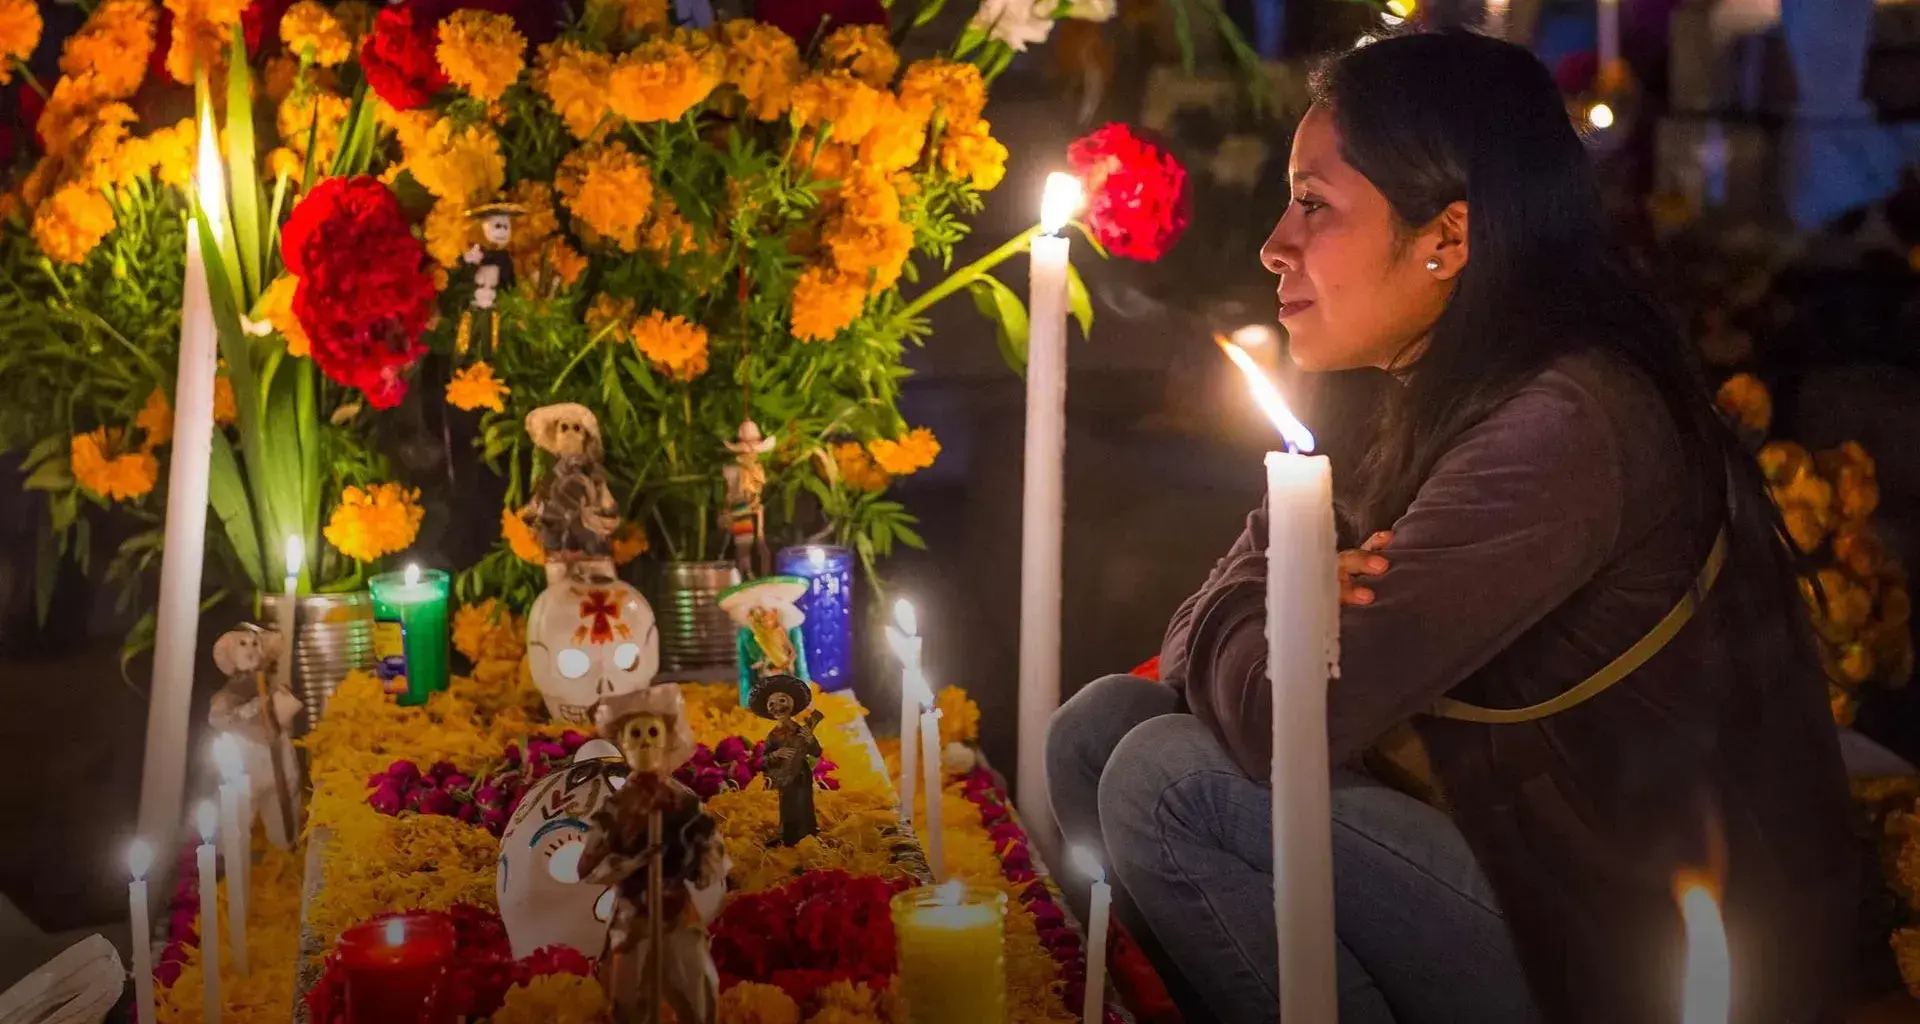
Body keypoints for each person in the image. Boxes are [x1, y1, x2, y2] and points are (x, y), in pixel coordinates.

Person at [1046, 30, 1857, 1024]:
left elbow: (1284, 722)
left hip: (1631, 944)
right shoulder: (1389, 385)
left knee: (1166, 784)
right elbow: (1195, 657)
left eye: (1314, 205)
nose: (1273, 245)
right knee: (1097, 729)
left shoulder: (1566, 420)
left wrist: (1268, 604)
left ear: (1448, 238)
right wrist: (1274, 599)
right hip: (1489, 848)